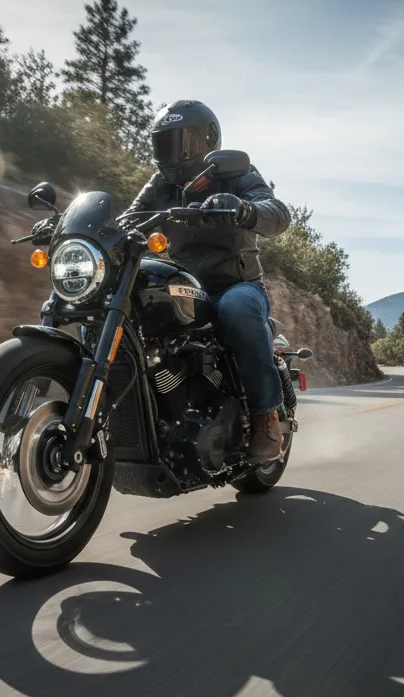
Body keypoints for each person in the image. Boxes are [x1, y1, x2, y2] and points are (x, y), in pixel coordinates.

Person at [125, 100, 292, 464]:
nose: (172, 154)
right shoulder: (160, 184)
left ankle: (266, 418)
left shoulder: (235, 173)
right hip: (187, 288)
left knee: (236, 309)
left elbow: (277, 213)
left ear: (207, 143)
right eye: (163, 144)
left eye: (181, 143)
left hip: (237, 285)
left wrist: (245, 209)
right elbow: (128, 219)